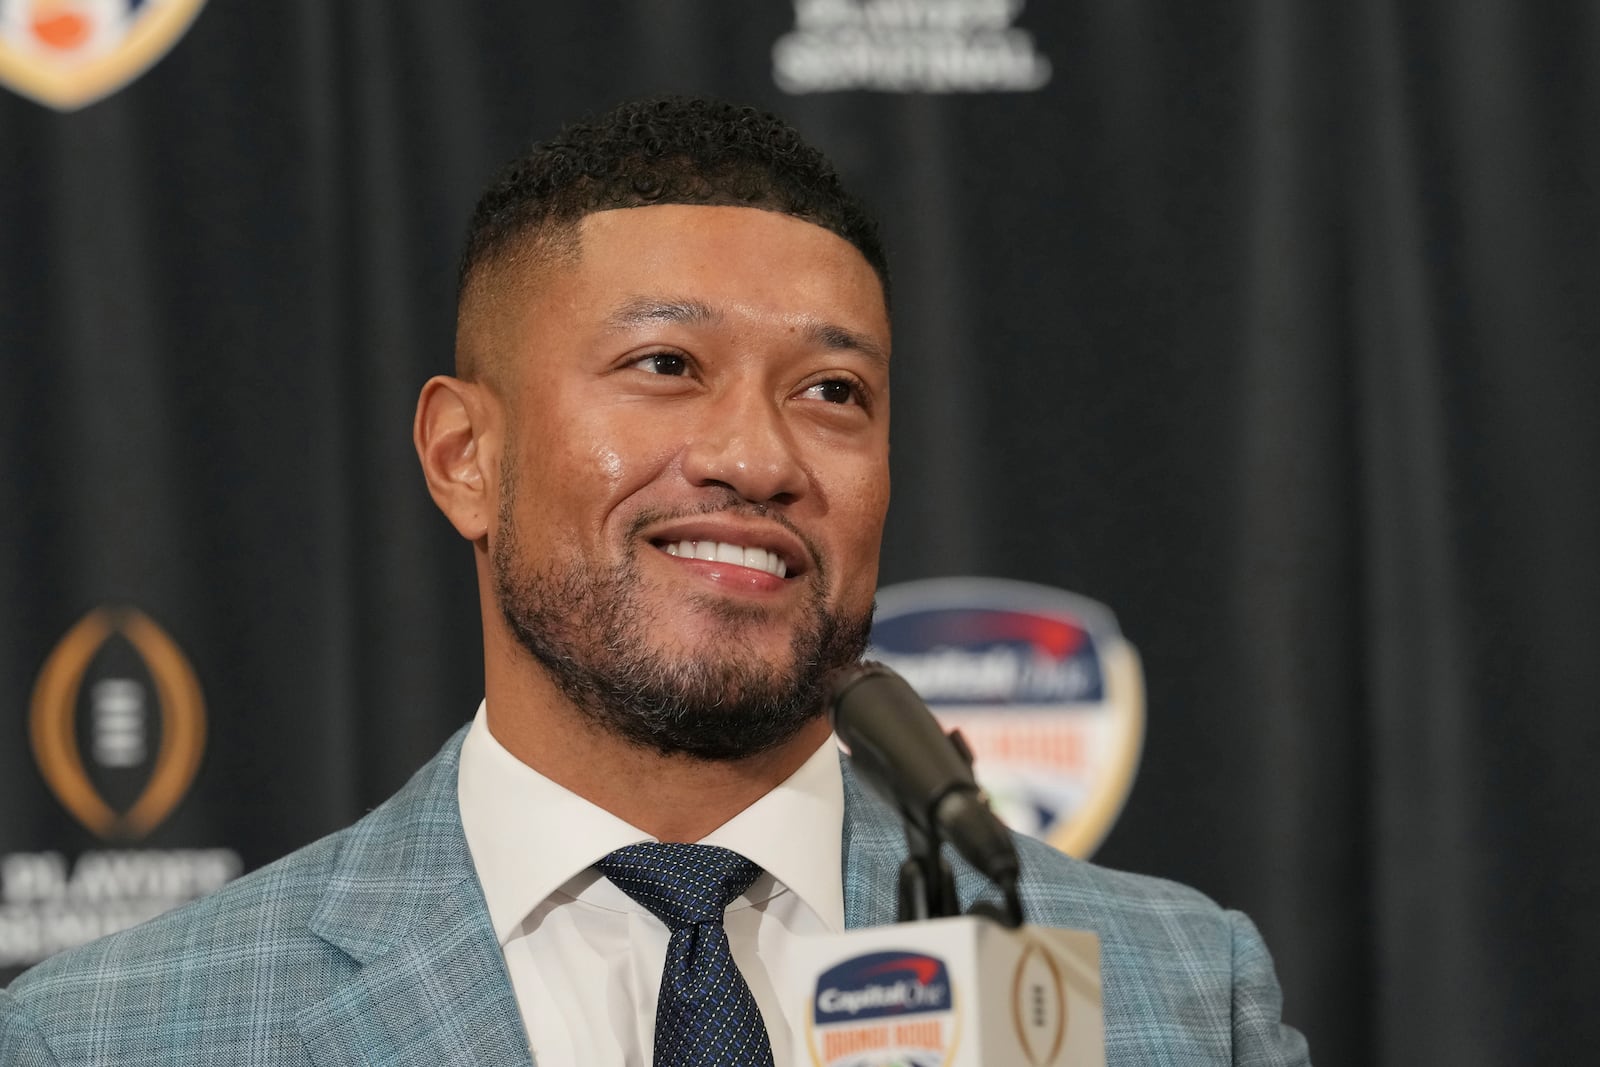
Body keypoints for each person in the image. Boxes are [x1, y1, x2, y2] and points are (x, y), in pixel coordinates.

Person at [0, 96, 1311, 1066]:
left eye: (834, 393)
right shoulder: (113, 1037)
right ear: (466, 455)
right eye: (666, 367)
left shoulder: (1178, 1000)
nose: (757, 457)